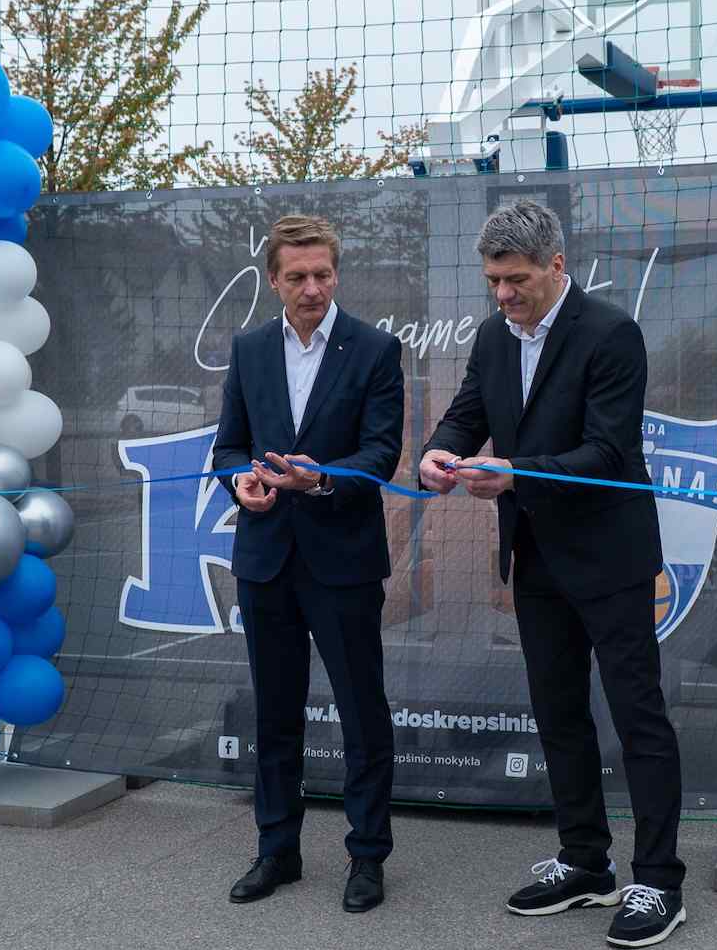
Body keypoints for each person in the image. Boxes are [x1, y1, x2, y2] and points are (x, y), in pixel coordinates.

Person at [418, 199, 686, 948]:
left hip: (609, 558)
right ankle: (585, 862)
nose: (504, 294)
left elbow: (608, 452)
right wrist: (439, 451)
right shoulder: (491, 336)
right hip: (534, 555)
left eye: (517, 279)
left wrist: (515, 474)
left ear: (556, 265)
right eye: (494, 281)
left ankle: (659, 881)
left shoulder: (610, 333)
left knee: (636, 716)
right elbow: (467, 411)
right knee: (558, 714)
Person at [213, 214, 404, 914]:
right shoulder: (250, 349)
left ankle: (368, 855)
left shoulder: (375, 349)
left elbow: (380, 453)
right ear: (274, 280)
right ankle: (277, 850)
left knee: (361, 711)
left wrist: (319, 478)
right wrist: (240, 482)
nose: (312, 288)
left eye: (322, 274)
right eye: (297, 276)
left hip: (343, 560)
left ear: (336, 273)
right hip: (266, 558)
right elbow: (228, 448)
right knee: (275, 712)